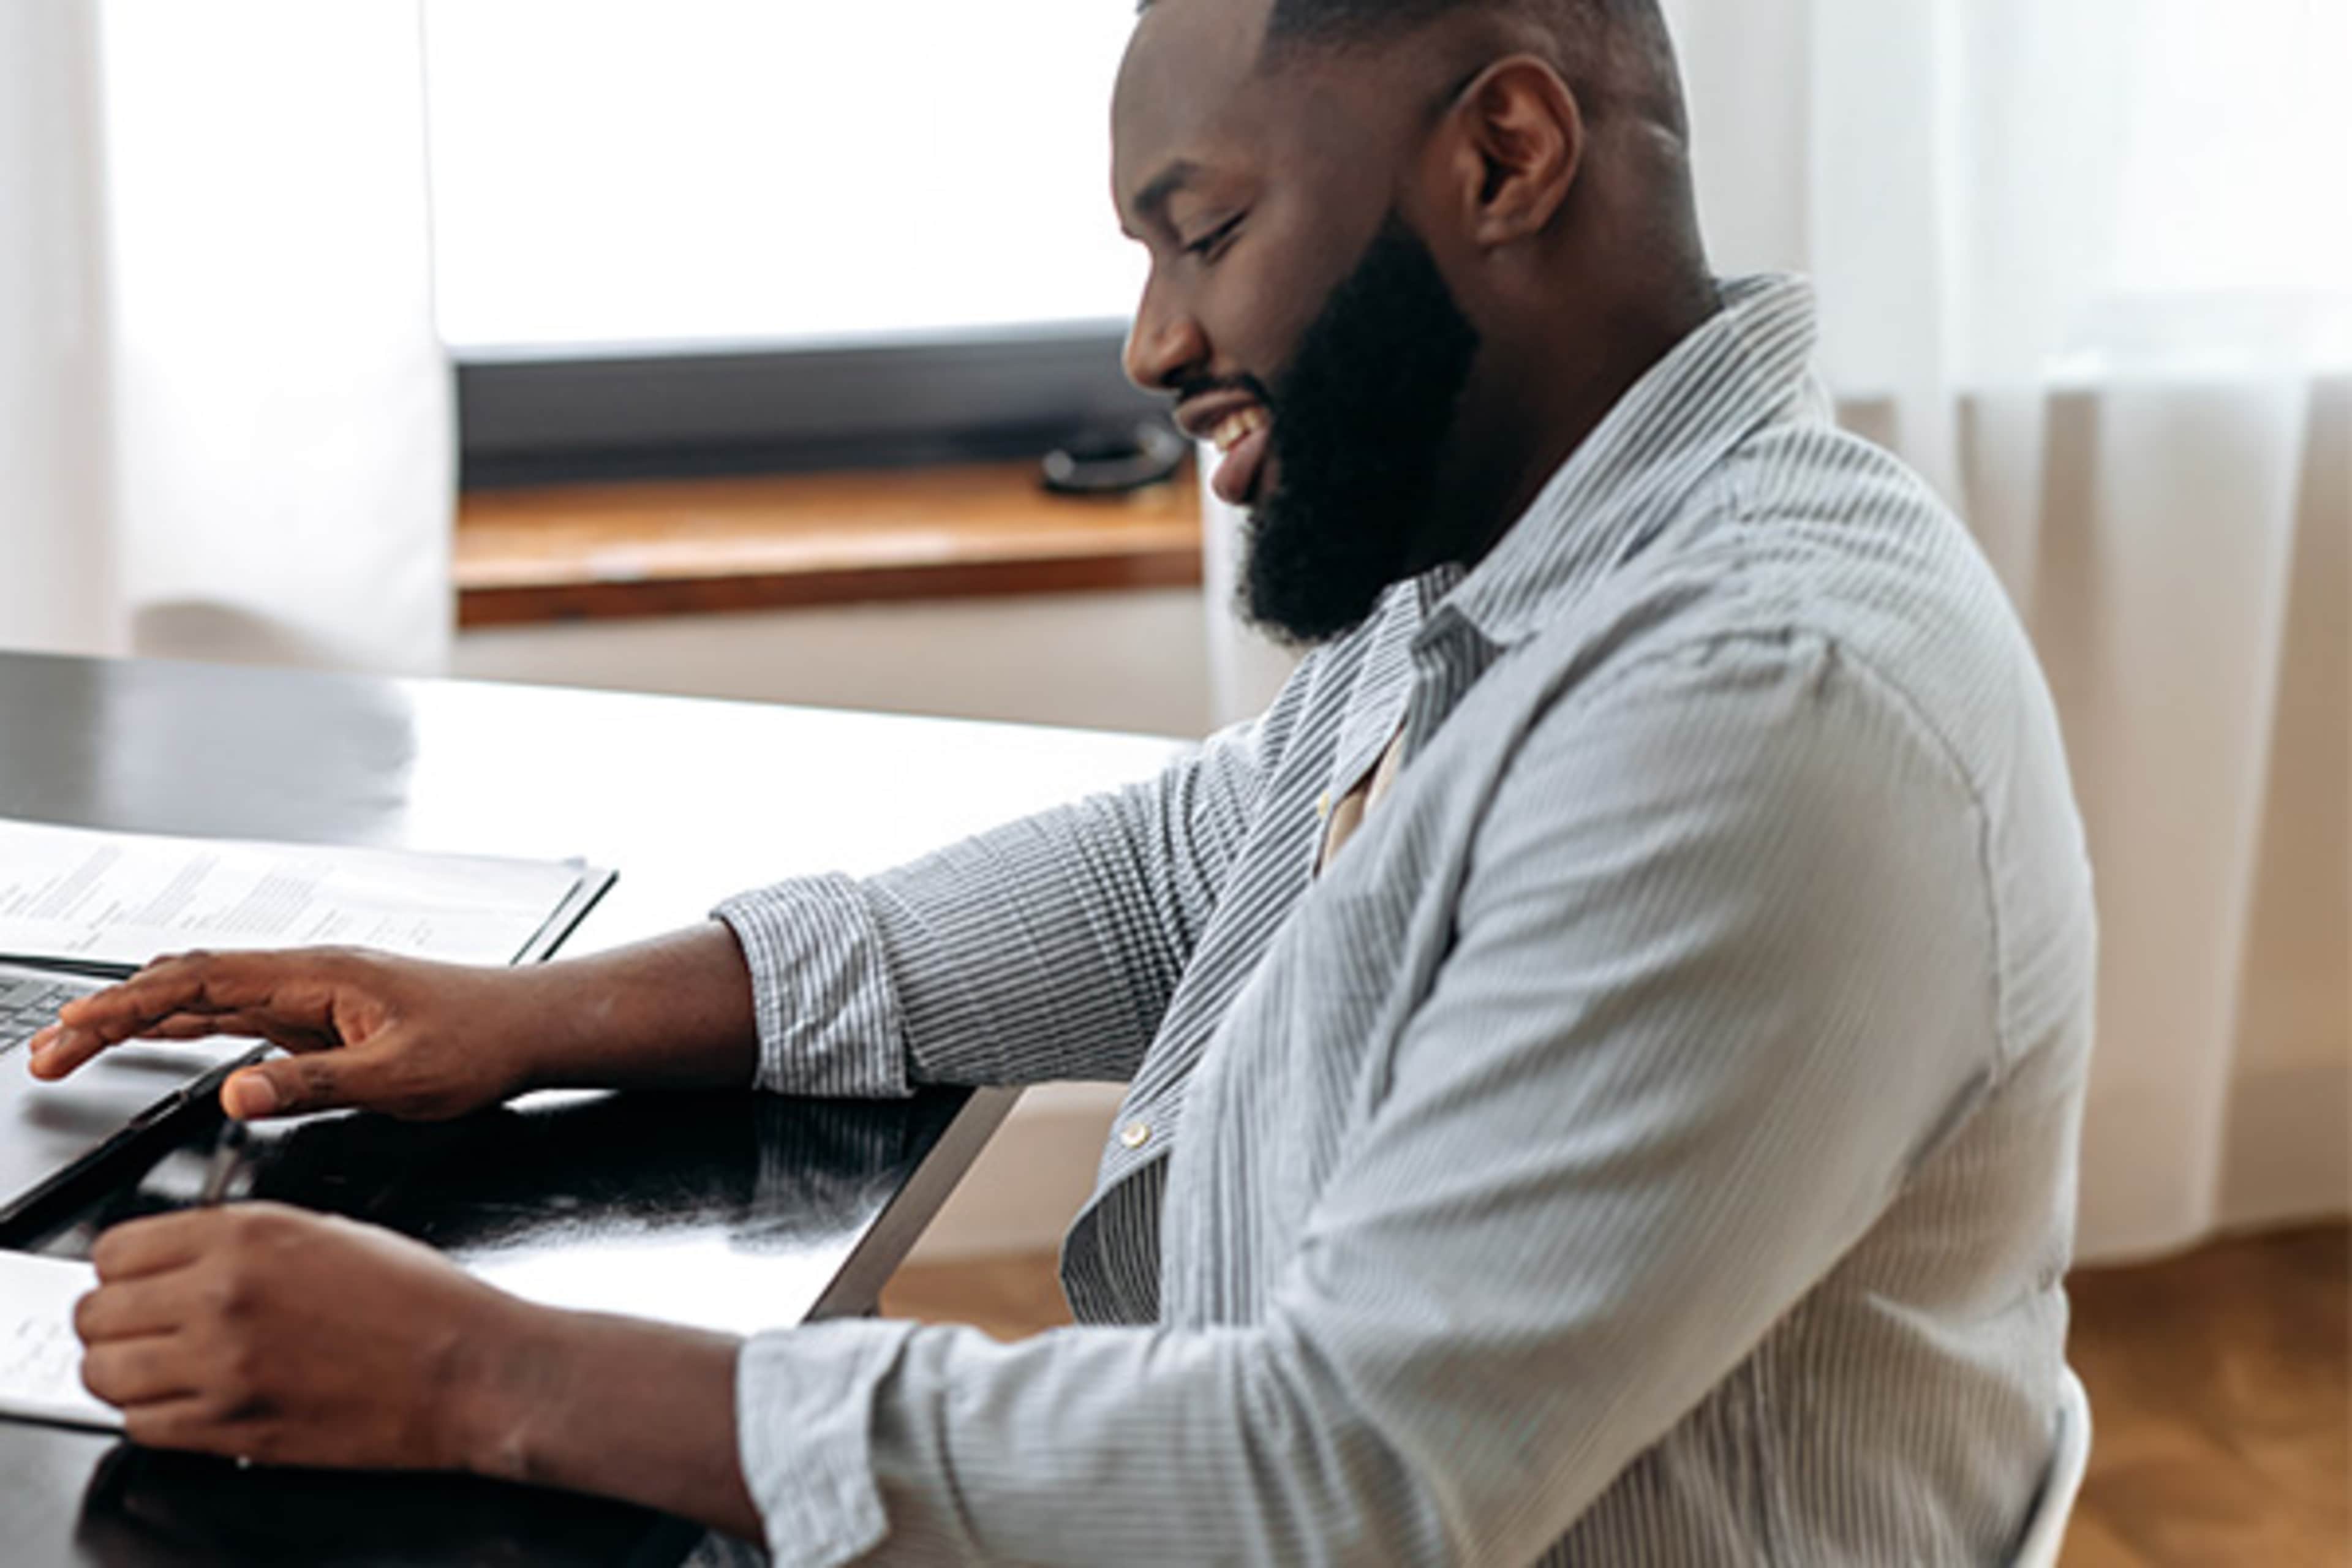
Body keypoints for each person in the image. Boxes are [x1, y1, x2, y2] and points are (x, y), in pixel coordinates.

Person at [26, 0, 2096, 1562]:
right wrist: (527, 1017)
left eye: (1203, 232)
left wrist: (482, 1371)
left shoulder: (1762, 713)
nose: (1149, 340)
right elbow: (1180, 876)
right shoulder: (1518, 549)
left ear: (1509, 153)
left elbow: (1340, 1483)